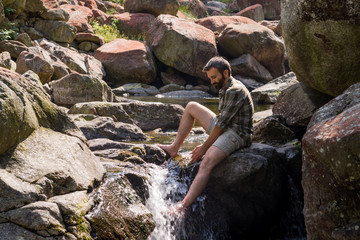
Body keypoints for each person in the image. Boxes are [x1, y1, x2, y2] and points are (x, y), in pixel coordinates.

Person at [158, 56, 254, 215]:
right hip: (226, 126)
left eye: (214, 77)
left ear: (226, 73)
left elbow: (220, 127)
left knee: (206, 162)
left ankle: (183, 205)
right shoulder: (224, 85)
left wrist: (204, 148)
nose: (212, 81)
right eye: (210, 78)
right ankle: (174, 148)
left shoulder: (235, 90)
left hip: (238, 133)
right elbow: (221, 122)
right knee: (191, 107)